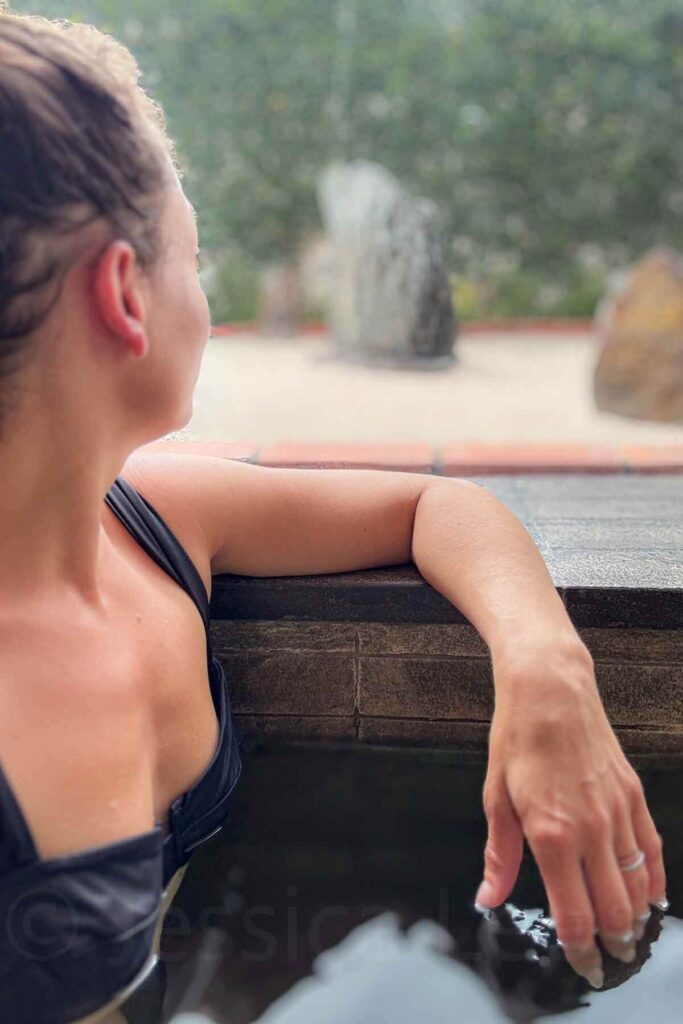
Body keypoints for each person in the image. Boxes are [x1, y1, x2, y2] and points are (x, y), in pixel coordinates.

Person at [0, 7, 668, 1023]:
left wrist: (545, 668)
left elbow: (433, 504)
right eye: (196, 256)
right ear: (126, 293)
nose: (206, 290)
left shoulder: (148, 522)